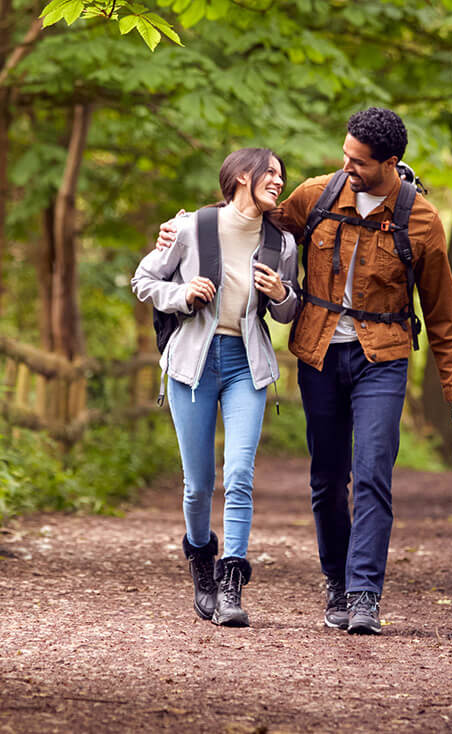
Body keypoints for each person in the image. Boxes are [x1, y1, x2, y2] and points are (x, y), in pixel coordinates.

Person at [158, 108, 452, 635]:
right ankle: (335, 580)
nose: (345, 165)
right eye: (345, 154)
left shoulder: (421, 221)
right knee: (328, 478)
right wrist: (186, 227)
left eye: (357, 161)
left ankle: (363, 594)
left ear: (389, 163)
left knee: (373, 472)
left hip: (384, 357)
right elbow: (249, 221)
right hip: (321, 353)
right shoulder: (318, 195)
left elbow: (444, 314)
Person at [132, 148, 300, 627]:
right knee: (198, 485)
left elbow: (290, 311)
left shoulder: (281, 243)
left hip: (247, 365)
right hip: (192, 366)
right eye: (270, 172)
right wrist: (182, 294)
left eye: (281, 175)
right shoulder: (191, 227)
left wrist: (281, 294)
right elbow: (144, 280)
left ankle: (231, 584)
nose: (278, 180)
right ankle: (202, 562)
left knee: (240, 473)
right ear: (242, 176)